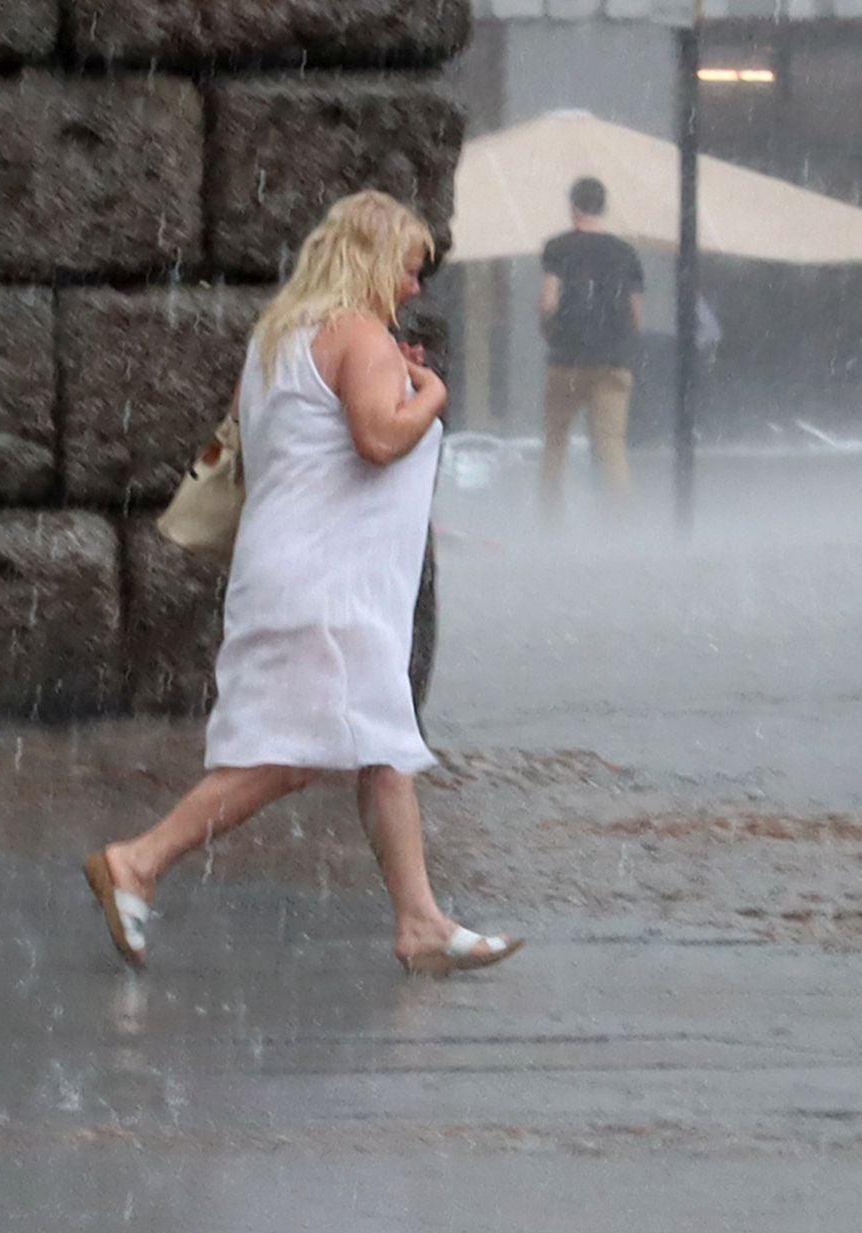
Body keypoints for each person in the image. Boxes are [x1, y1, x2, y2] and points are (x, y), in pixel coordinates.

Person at [83, 190, 521, 978]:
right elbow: (380, 439)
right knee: (286, 758)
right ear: (376, 261)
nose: (417, 288)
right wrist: (433, 394)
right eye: (412, 270)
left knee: (381, 746)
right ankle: (139, 860)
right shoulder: (362, 336)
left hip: (291, 570)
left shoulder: (280, 339)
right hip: (333, 585)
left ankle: (420, 920)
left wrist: (394, 377)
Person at [538, 176, 644, 521]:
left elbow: (548, 302)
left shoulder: (558, 248)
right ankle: (615, 525)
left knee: (555, 441)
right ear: (604, 207)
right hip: (613, 362)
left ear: (573, 207)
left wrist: (551, 333)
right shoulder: (626, 254)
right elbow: (636, 314)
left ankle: (551, 522)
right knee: (611, 445)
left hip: (567, 359)